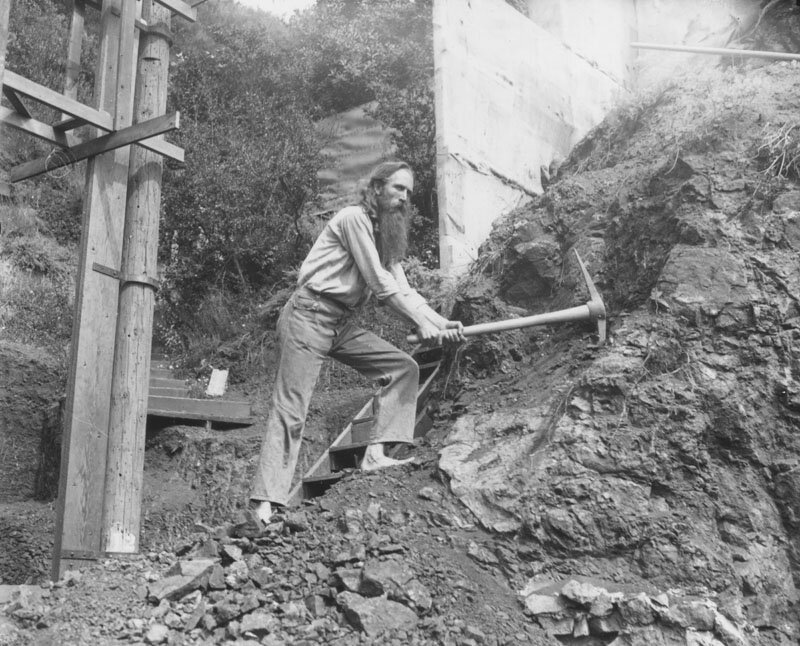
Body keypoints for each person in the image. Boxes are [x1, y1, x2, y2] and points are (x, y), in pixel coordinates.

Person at [247, 161, 464, 526]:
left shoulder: (385, 236)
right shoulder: (353, 219)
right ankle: (264, 506)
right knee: (292, 410)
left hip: (340, 323)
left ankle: (376, 453)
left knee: (403, 368)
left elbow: (404, 288)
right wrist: (419, 323)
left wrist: (441, 322)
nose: (404, 198)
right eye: (398, 189)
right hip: (309, 315)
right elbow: (380, 285)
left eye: (409, 193)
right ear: (377, 188)